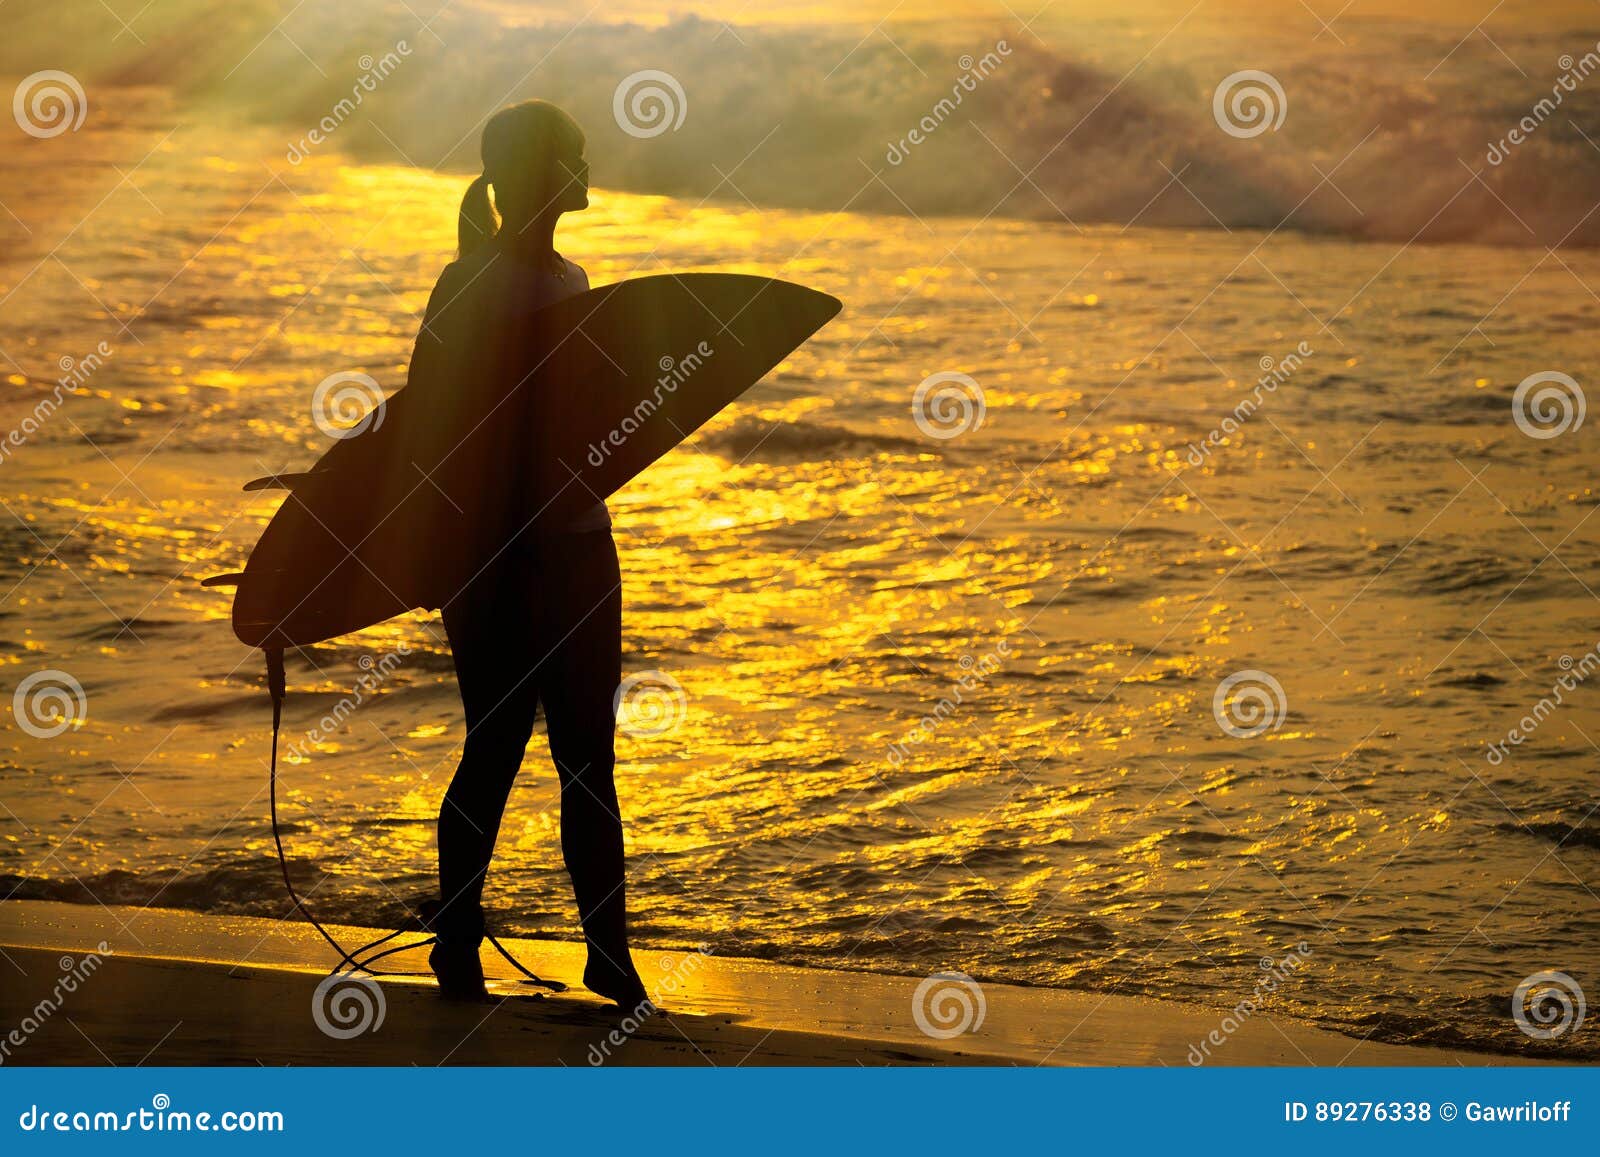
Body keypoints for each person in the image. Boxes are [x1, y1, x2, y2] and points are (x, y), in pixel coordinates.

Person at [405, 100, 647, 1008]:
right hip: (501, 556)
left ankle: (605, 951)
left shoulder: (574, 274)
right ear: (541, 174)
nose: (588, 166)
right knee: (500, 745)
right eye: (575, 155)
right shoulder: (466, 285)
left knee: (587, 757)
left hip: (581, 546)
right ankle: (459, 938)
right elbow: (429, 429)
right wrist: (438, 549)